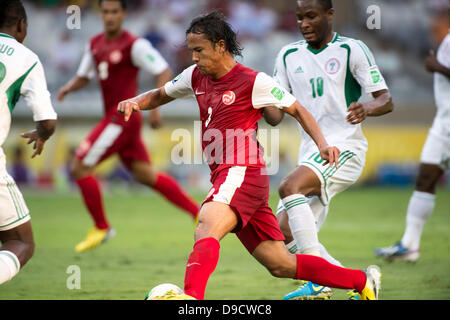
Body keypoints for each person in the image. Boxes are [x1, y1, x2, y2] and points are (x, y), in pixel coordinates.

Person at [118, 11, 381, 300]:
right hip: (231, 176)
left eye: (199, 50)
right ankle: (361, 281)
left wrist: (321, 144)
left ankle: (192, 298)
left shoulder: (254, 81)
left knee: (207, 223)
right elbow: (160, 94)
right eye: (191, 51)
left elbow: (297, 109)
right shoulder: (195, 76)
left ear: (220, 46)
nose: (194, 57)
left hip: (242, 170)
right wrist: (135, 101)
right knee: (280, 264)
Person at [263, 0, 394, 300]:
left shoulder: (351, 49)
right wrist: (258, 100)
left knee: (289, 186)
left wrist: (367, 107)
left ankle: (318, 282)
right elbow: (275, 116)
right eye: (299, 18)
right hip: (310, 154)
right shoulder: (287, 55)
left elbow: (386, 99)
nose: (304, 23)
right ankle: (360, 281)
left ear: (330, 15)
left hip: (345, 148)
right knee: (281, 234)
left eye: (311, 16)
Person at [57, 0, 200, 253]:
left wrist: (155, 109)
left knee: (79, 166)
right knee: (144, 174)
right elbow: (84, 75)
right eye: (105, 12)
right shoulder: (95, 44)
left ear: (123, 14)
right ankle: (197, 213)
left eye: (115, 12)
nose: (110, 16)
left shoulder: (135, 45)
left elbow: (163, 70)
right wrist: (69, 87)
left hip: (121, 117)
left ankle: (102, 227)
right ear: (101, 14)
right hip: (117, 120)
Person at [374, 8, 450, 263]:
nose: (435, 21)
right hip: (444, 123)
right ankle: (410, 245)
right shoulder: (446, 40)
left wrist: (437, 66)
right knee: (426, 177)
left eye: (440, 15)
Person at [0, 0, 57, 285]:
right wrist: (42, 135)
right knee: (20, 243)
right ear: (22, 25)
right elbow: (47, 121)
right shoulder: (25, 57)